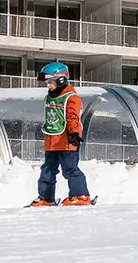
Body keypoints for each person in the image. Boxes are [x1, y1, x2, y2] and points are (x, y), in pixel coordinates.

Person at [31, 62, 94, 206]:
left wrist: (74, 133)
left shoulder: (71, 97)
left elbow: (73, 117)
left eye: (50, 82)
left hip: (67, 141)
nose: (48, 85)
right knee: (47, 170)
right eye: (47, 82)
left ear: (61, 80)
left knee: (70, 168)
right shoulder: (48, 97)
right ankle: (46, 198)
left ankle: (81, 195)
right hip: (52, 141)